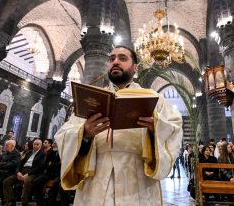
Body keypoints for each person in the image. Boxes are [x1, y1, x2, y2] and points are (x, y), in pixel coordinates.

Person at [54, 46, 183, 205]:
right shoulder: (92, 98)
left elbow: (174, 128)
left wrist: (155, 128)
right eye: (112, 58)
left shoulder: (154, 99)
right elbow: (63, 135)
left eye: (122, 58)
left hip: (138, 181)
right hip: (95, 181)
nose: (115, 62)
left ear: (135, 68)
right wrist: (85, 133)